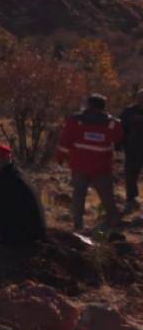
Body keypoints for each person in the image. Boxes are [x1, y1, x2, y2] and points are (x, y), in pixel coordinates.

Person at [57, 94, 123, 235]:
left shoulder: (75, 120)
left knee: (78, 195)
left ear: (89, 105)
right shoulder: (112, 123)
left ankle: (78, 224)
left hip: (79, 165)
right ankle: (114, 221)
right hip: (102, 166)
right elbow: (118, 137)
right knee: (107, 196)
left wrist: (60, 157)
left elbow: (65, 140)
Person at [0, 144, 47, 246]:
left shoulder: (3, 180)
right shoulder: (17, 175)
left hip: (22, 237)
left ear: (0, 161)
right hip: (35, 232)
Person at [118, 90, 143, 215]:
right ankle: (131, 199)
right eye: (140, 97)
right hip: (132, 149)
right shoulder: (128, 112)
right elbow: (120, 129)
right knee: (130, 176)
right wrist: (119, 145)